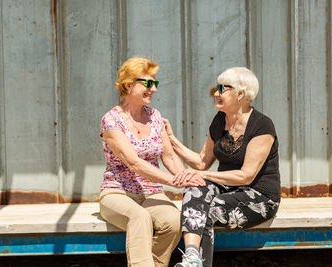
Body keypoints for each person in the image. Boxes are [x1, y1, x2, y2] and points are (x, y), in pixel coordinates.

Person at [165, 67, 281, 267]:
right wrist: (171, 139)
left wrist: (201, 173)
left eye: (221, 88)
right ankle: (192, 257)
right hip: (228, 189)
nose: (216, 94)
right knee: (194, 186)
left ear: (240, 94)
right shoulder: (220, 121)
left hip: (259, 196)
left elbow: (246, 176)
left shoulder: (262, 126)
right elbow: (202, 161)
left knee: (208, 209)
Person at [99, 57, 205, 267]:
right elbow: (134, 163)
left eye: (155, 84)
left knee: (174, 221)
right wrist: (173, 181)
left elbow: (169, 156)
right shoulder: (111, 120)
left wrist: (185, 177)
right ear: (129, 85)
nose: (154, 89)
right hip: (117, 192)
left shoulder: (155, 117)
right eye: (148, 83)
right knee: (140, 217)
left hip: (152, 192)